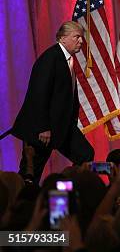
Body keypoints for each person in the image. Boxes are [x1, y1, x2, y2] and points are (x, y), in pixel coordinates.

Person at [11, 21, 94, 184]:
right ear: (63, 38)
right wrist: (43, 127)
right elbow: (39, 93)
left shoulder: (67, 59)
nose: (81, 41)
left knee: (85, 155)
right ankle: (21, 204)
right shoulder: (50, 58)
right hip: (41, 130)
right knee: (30, 173)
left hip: (62, 127)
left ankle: (71, 194)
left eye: (82, 38)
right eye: (77, 37)